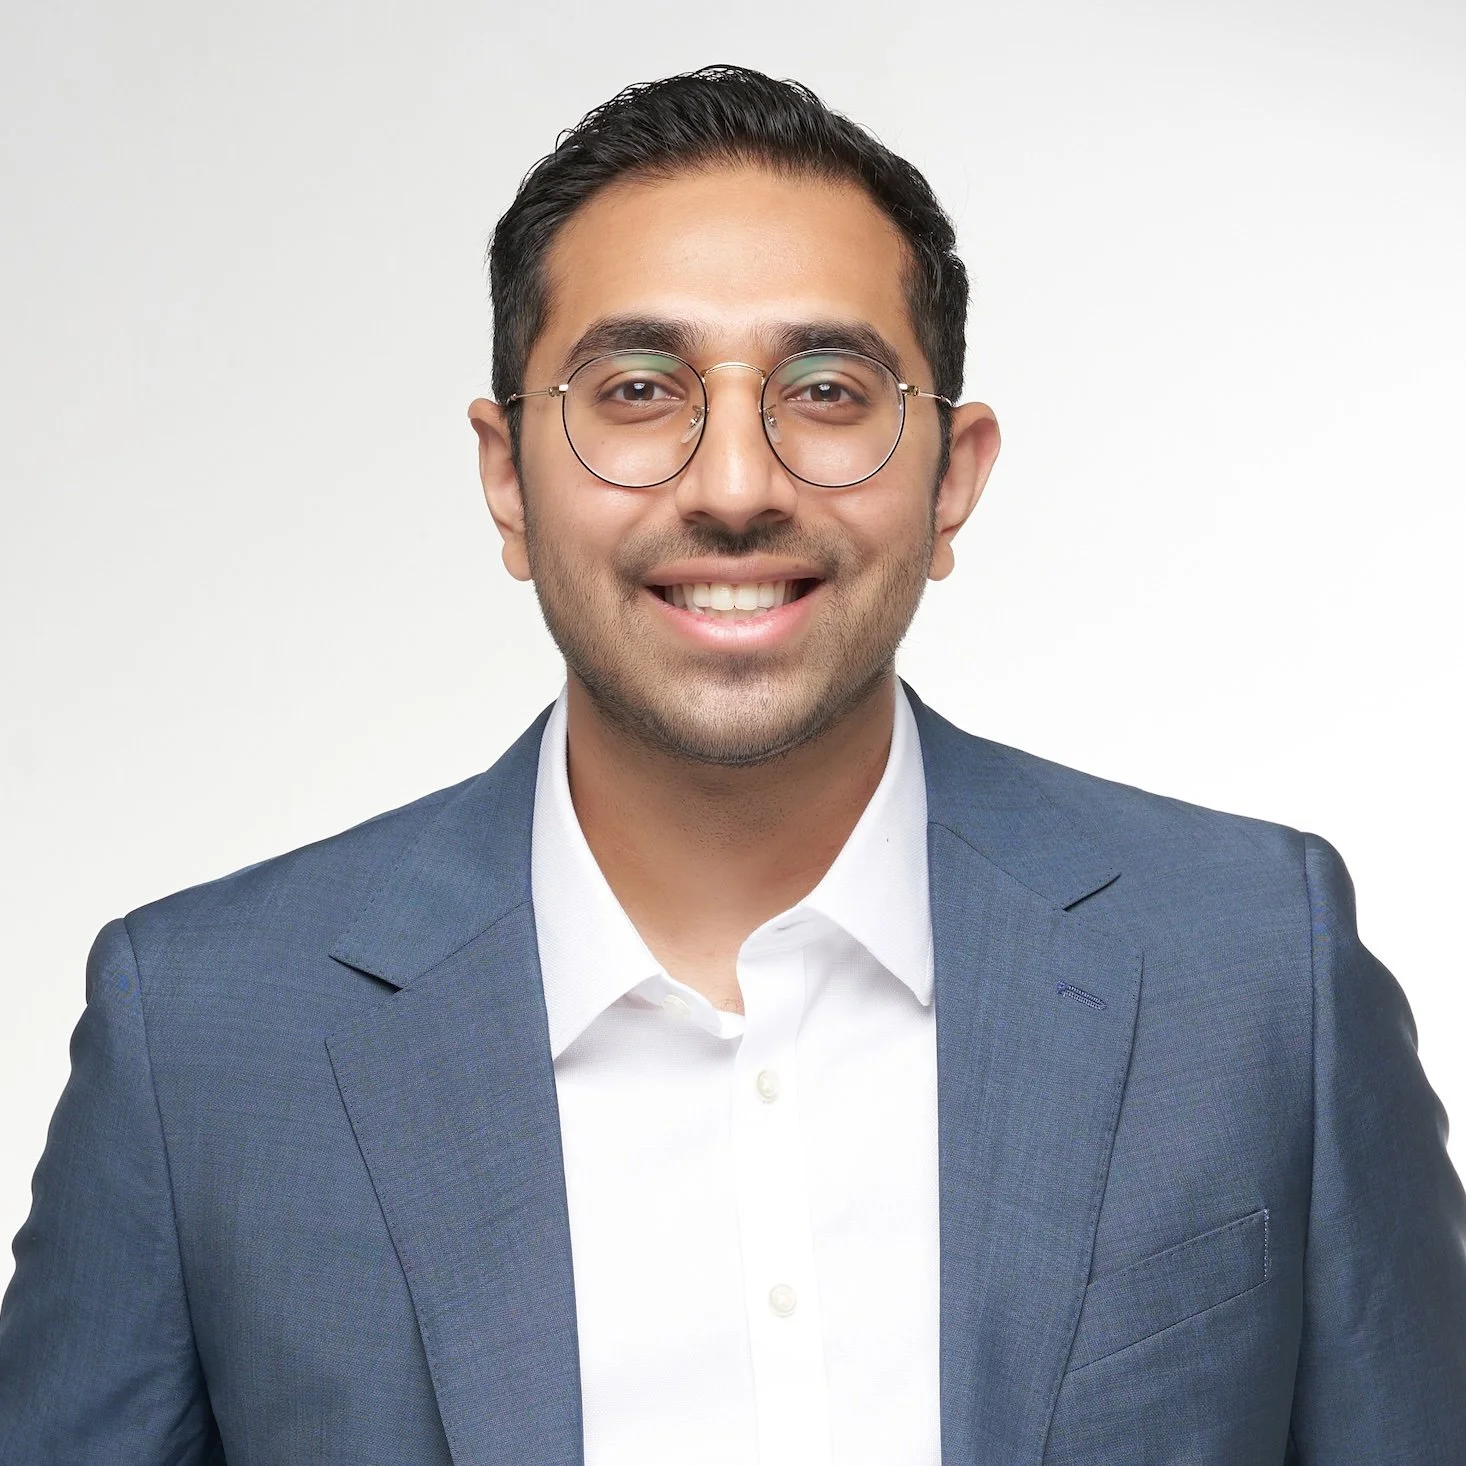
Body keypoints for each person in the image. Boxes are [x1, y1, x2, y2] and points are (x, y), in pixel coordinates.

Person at [1, 62, 1462, 1466]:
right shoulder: (199, 1040)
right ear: (506, 478)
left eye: (826, 388)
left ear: (950, 478)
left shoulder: (1256, 970)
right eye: (636, 389)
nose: (736, 482)